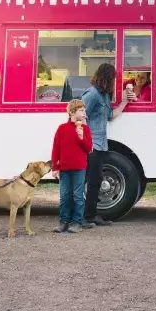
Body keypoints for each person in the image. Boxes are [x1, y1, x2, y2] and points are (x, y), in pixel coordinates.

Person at [81, 63, 135, 227]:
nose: (114, 82)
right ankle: (86, 216)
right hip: (92, 145)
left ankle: (91, 215)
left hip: (101, 144)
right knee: (89, 180)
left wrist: (125, 100)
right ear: (107, 77)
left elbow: (111, 115)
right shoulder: (91, 95)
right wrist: (85, 141)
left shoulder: (104, 96)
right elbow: (80, 116)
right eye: (112, 78)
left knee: (95, 180)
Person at [51, 99, 93, 234]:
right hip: (64, 168)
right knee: (65, 195)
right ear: (72, 112)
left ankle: (77, 222)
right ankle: (63, 221)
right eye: (82, 110)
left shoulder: (85, 129)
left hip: (79, 168)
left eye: (84, 110)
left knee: (78, 196)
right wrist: (54, 167)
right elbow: (56, 148)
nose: (84, 112)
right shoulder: (62, 128)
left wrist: (81, 138)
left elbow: (89, 149)